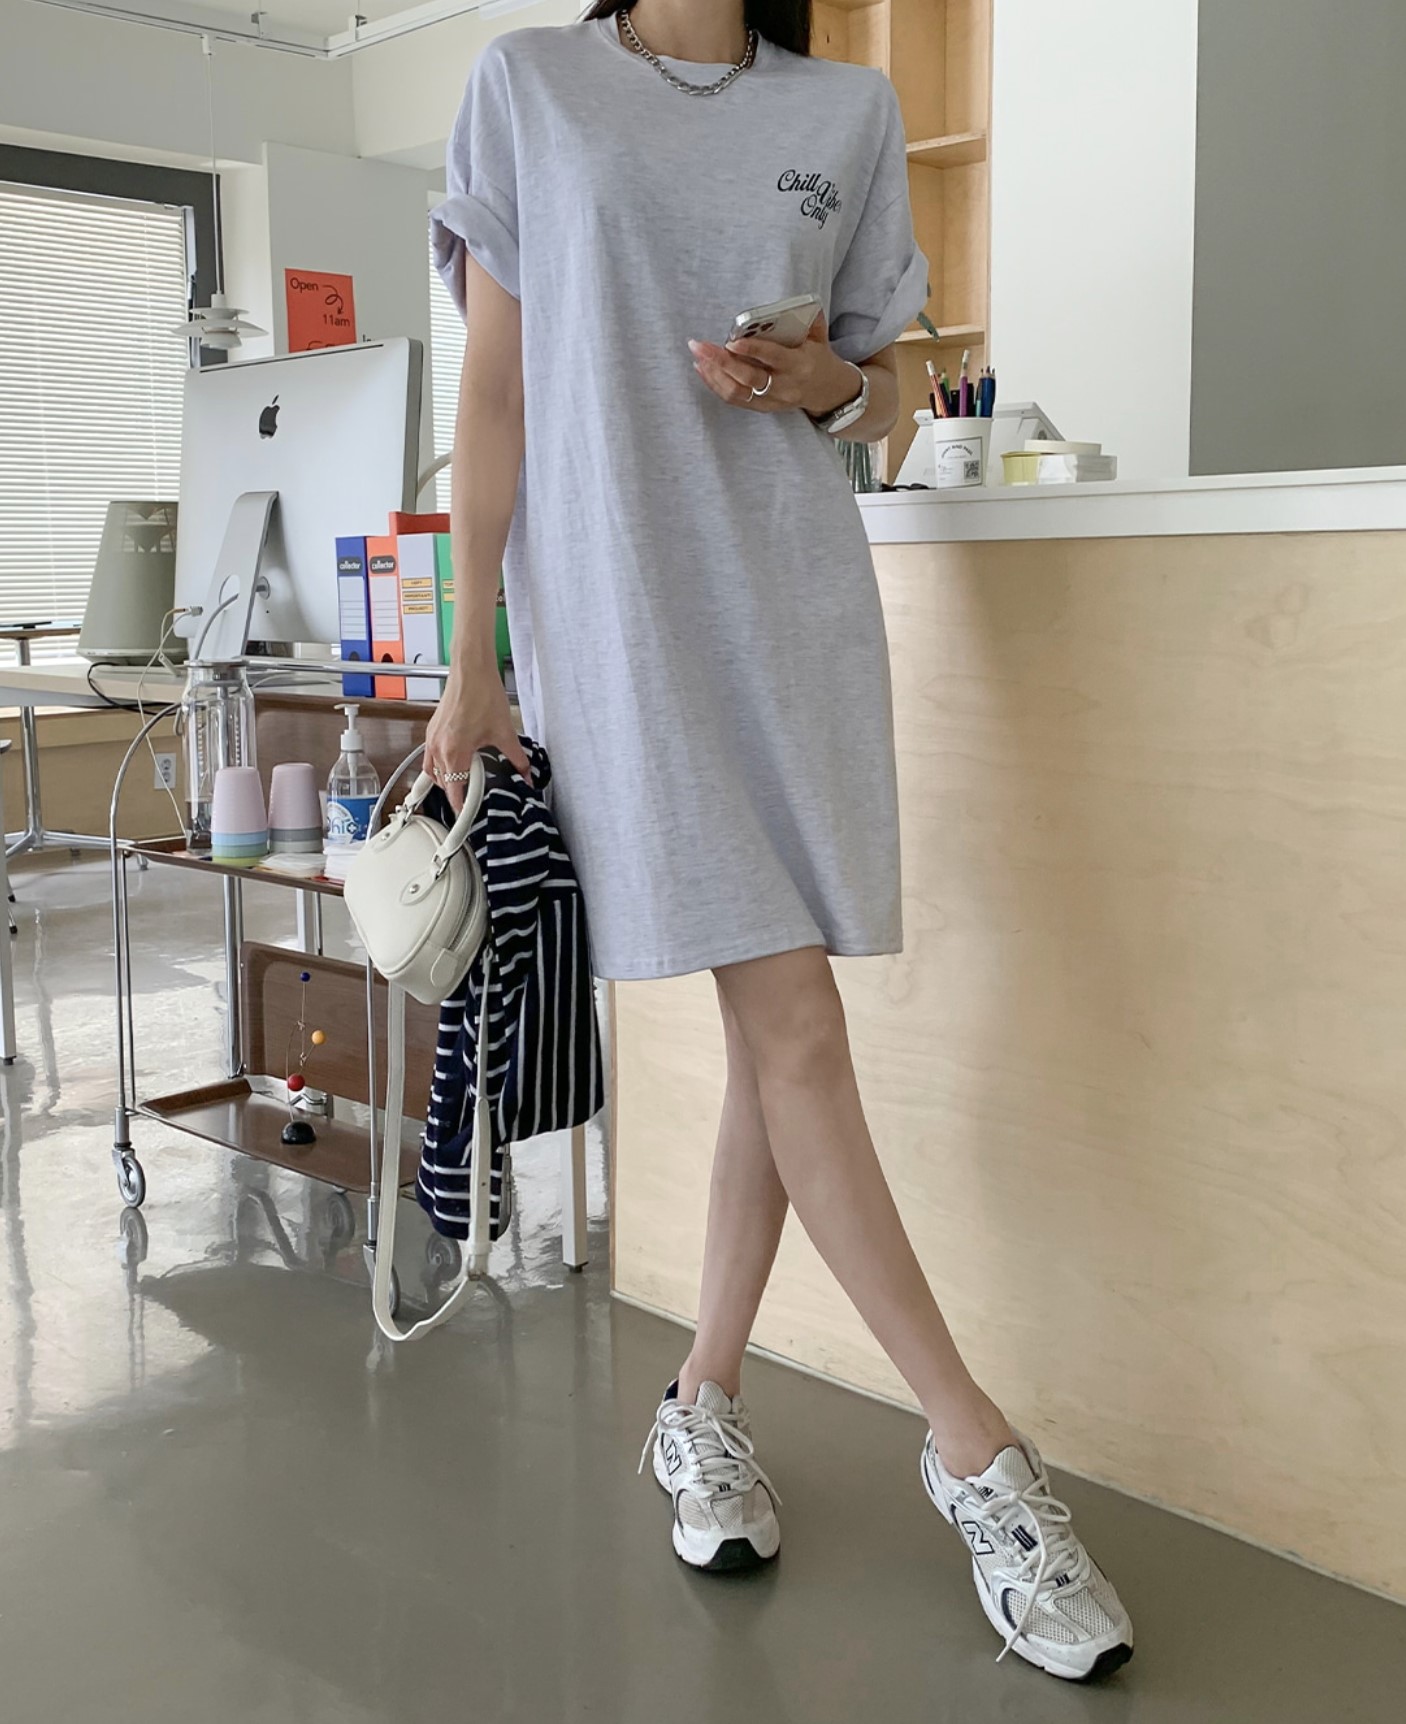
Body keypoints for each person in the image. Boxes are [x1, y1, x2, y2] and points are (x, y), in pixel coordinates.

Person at [425, 0, 1133, 1683]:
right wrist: (472, 657)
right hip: (624, 620)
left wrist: (825, 382)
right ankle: (975, 1454)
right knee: (796, 1022)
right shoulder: (530, 83)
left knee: (775, 1032)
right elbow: (496, 397)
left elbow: (886, 390)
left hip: (798, 611)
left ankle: (700, 1401)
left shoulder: (850, 107)